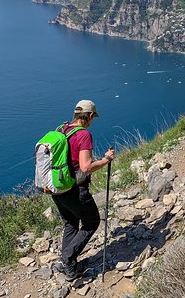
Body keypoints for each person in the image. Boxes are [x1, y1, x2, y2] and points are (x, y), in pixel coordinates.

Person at [52, 99, 115, 281]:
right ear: (88, 116)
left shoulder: (62, 130)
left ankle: (67, 262)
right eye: (93, 117)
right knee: (91, 222)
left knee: (71, 223)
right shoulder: (83, 135)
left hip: (57, 187)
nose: (92, 121)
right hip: (75, 189)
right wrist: (106, 159)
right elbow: (86, 167)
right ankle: (69, 260)